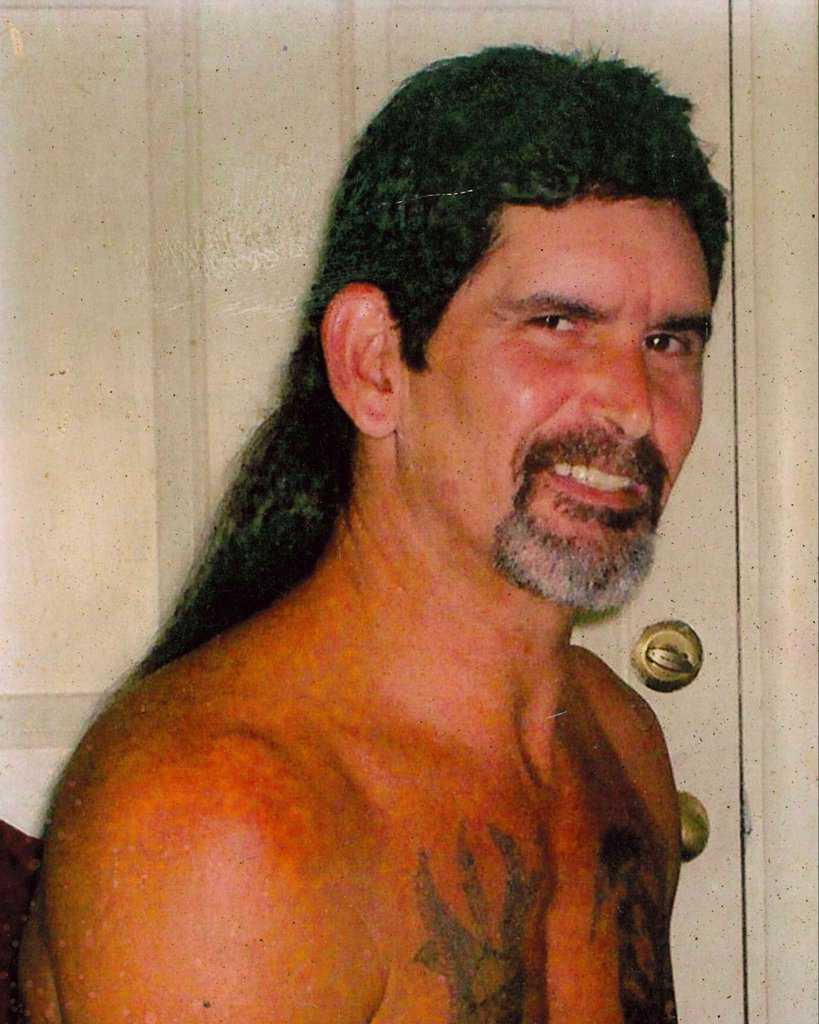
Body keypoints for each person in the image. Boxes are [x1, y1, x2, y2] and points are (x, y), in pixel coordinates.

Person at [20, 46, 726, 1024]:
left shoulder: (616, 740)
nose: (636, 405)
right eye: (558, 323)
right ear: (374, 364)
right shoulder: (222, 818)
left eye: (668, 341)